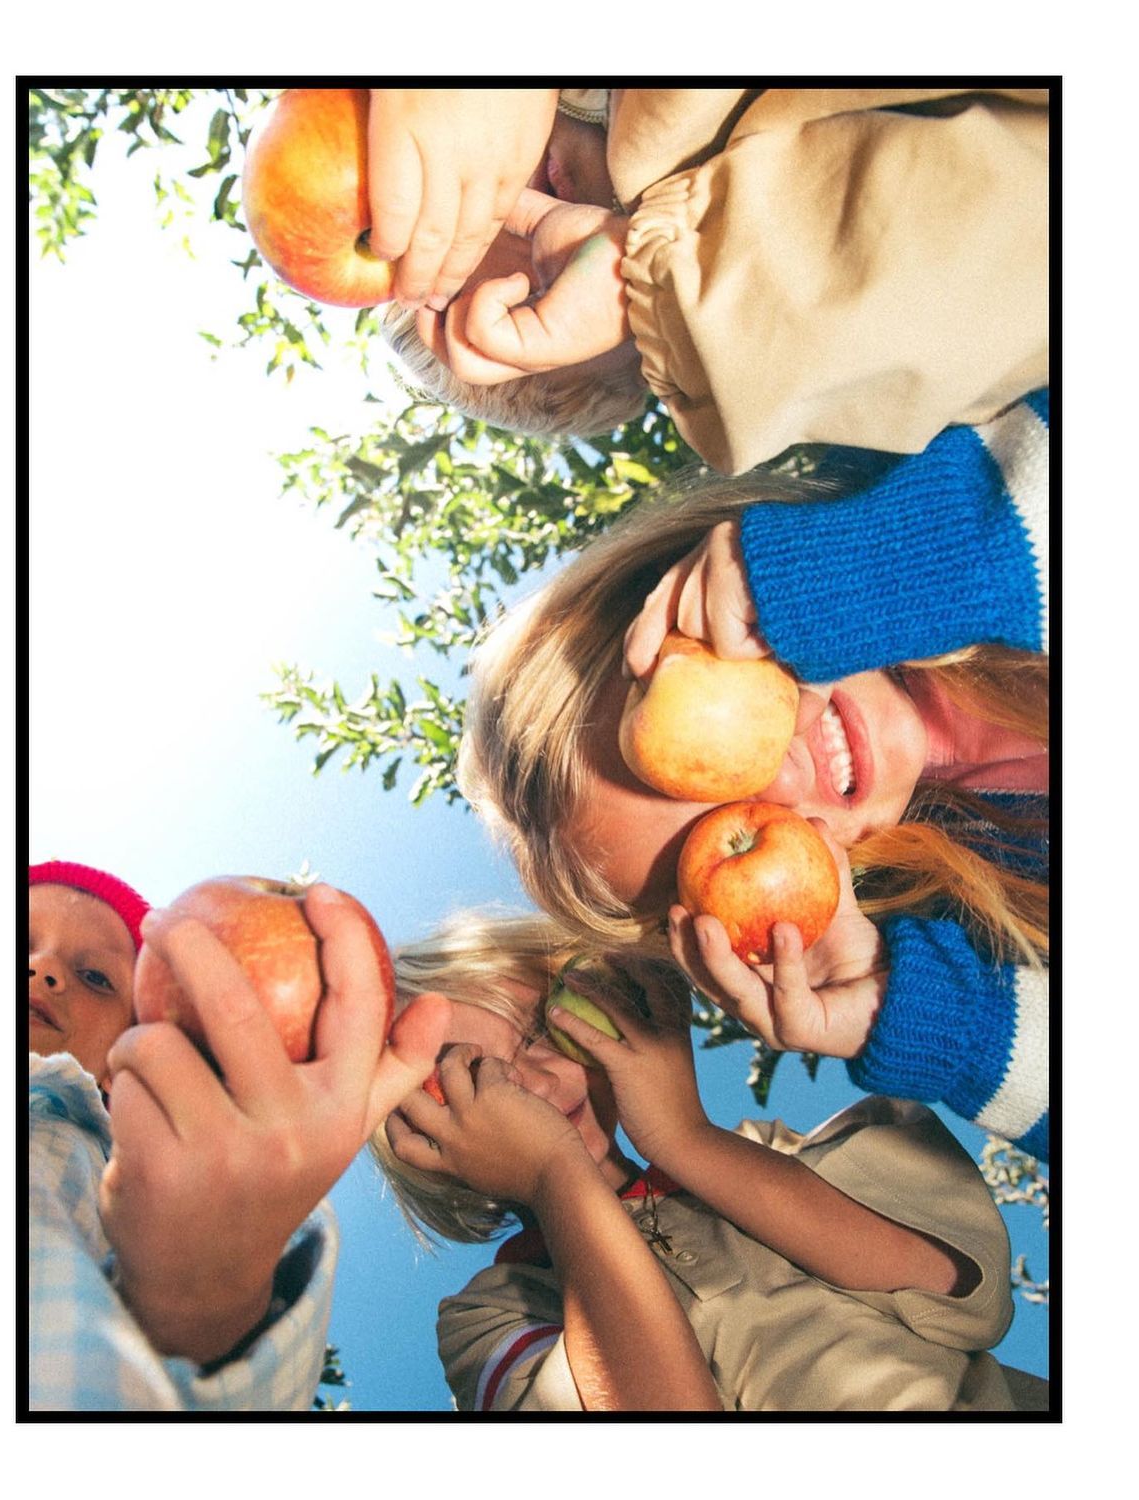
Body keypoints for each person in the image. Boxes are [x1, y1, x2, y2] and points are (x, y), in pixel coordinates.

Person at [456, 392, 1049, 1160]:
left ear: (693, 600)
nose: (779, 782)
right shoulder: (996, 916)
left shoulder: (940, 454)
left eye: (708, 752)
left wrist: (880, 565)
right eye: (732, 842)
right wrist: (954, 1029)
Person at [373, 914, 1048, 1412]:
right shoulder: (489, 1315)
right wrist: (554, 1174)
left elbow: (960, 1295)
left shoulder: (760, 1153)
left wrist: (686, 1139)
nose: (538, 1089)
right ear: (422, 1149)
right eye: (473, 1078)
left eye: (539, 1034)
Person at [376, 86, 1048, 474]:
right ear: (644, 359)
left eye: (472, 217)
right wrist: (659, 293)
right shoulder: (759, 288)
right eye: (547, 291)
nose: (529, 213)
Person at [29, 860, 449, 1410]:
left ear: (124, 1063)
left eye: (96, 978)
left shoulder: (117, 1194)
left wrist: (202, 1301)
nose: (43, 969)